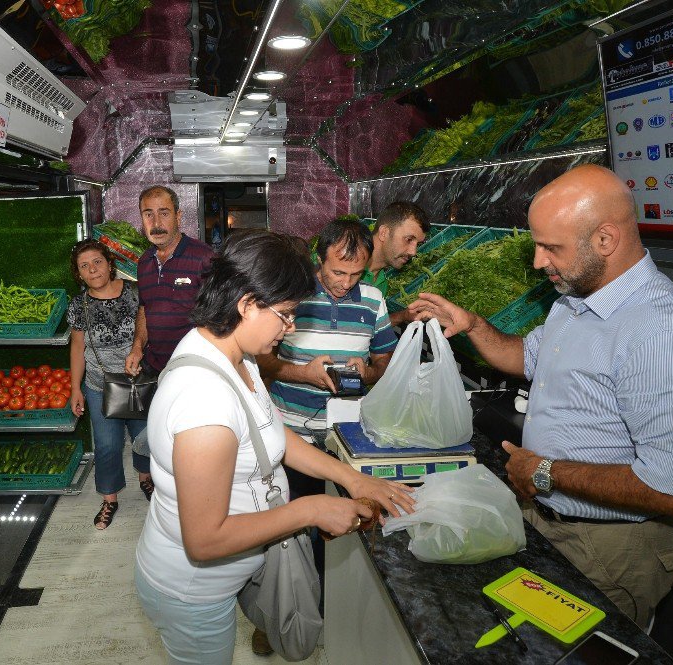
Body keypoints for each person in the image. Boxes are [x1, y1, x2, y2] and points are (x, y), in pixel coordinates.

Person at [415, 164, 673, 628]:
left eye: (551, 247)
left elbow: (672, 490)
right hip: (548, 517)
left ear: (605, 239)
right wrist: (476, 326)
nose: (540, 261)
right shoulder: (575, 301)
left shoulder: (662, 334)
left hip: (609, 549)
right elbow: (529, 358)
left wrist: (543, 471)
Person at [134, 230, 414, 664]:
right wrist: (310, 511)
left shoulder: (234, 354)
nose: (292, 327)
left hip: (230, 575)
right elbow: (205, 541)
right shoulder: (203, 400)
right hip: (193, 592)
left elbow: (271, 434)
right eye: (285, 315)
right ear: (247, 304)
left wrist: (350, 477)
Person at [258, 219, 398, 447]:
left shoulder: (373, 299)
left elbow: (385, 361)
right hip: (290, 431)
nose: (346, 283)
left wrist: (369, 373)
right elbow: (262, 360)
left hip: (349, 431)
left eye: (356, 274)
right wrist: (303, 374)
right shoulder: (292, 295)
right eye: (338, 272)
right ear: (319, 260)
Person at [68, 239, 153, 529]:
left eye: (97, 262)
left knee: (144, 439)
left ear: (109, 263)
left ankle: (146, 480)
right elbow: (77, 348)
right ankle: (109, 499)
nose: (92, 269)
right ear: (78, 274)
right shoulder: (79, 306)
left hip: (138, 382)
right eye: (84, 266)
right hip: (98, 385)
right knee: (107, 445)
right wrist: (75, 388)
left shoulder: (135, 294)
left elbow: (149, 332)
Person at [126, 185, 215, 376]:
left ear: (178, 216)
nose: (156, 223)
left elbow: (220, 316)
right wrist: (137, 347)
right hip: (155, 368)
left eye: (164, 213)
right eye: (148, 214)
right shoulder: (144, 262)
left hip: (194, 369)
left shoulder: (204, 257)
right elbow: (144, 308)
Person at [360, 201, 431, 327]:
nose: (413, 252)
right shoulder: (343, 267)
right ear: (384, 233)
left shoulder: (381, 283)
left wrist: (403, 316)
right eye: (409, 239)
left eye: (418, 244)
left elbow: (367, 326)